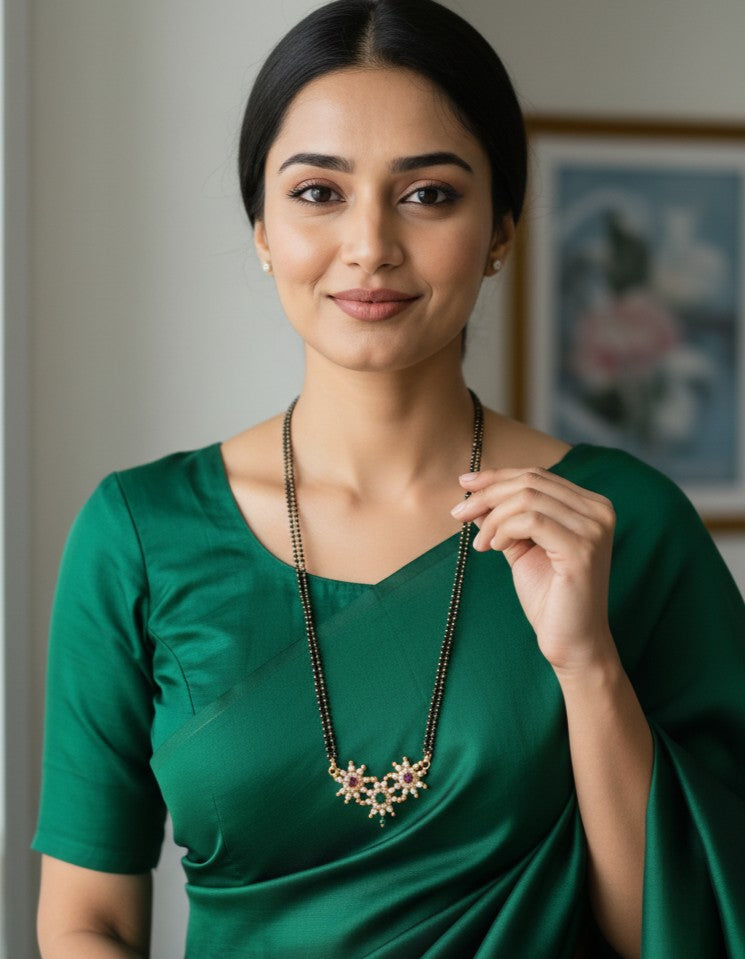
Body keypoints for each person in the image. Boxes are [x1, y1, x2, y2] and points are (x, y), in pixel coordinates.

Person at [32, 1, 745, 956]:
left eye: (428, 195)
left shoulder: (623, 525)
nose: (369, 245)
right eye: (318, 193)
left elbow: (673, 924)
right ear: (261, 227)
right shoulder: (138, 532)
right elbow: (86, 920)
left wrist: (587, 666)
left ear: (500, 228)